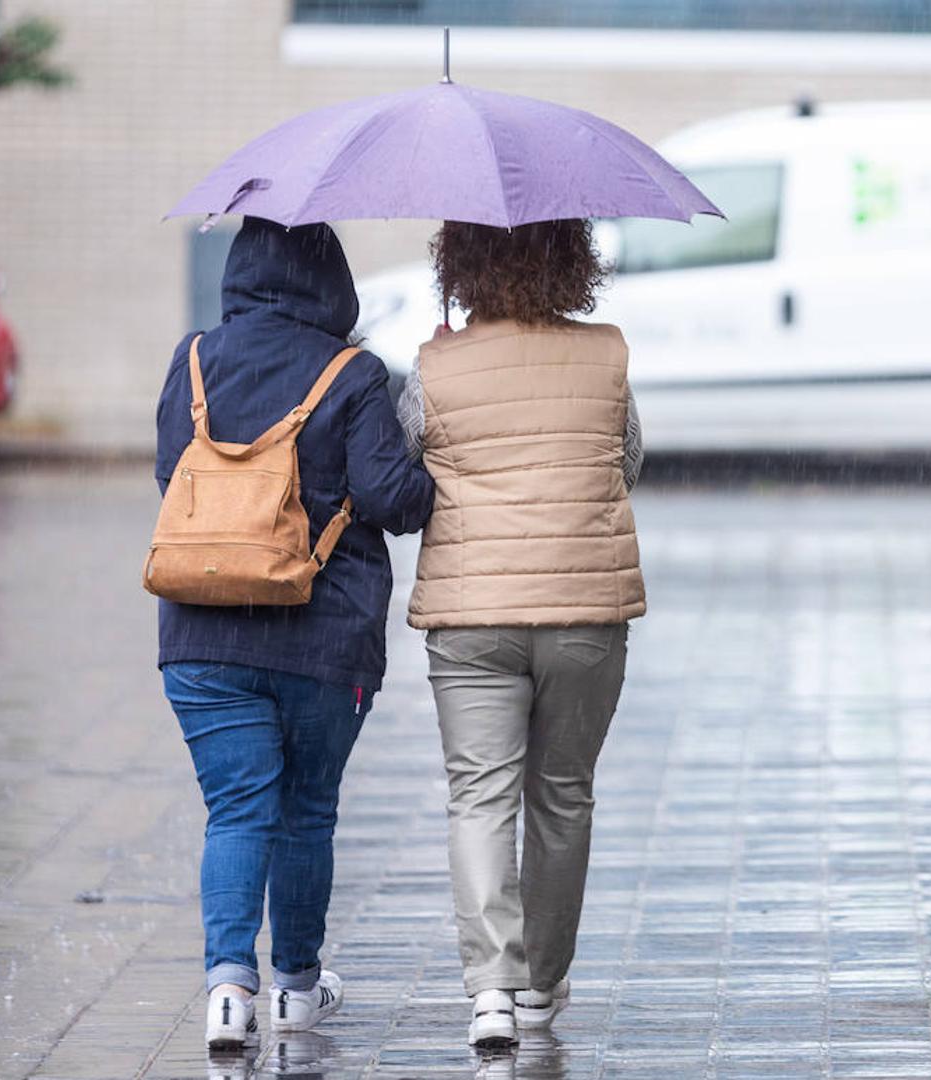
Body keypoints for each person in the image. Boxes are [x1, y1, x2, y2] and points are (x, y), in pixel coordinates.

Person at [155, 217, 434, 1051]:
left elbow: (175, 475)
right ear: (333, 281)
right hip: (324, 638)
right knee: (306, 812)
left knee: (236, 808)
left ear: (241, 270)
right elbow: (397, 502)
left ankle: (229, 993)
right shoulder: (353, 374)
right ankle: (297, 991)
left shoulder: (194, 358)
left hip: (203, 633)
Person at [396, 218, 644, 1050]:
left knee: (479, 797)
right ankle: (542, 983)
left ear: (460, 266)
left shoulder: (436, 363)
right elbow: (627, 462)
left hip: (472, 618)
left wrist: (447, 381)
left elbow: (408, 471)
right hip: (584, 610)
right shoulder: (606, 352)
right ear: (571, 263)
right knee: (563, 795)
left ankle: (491, 992)